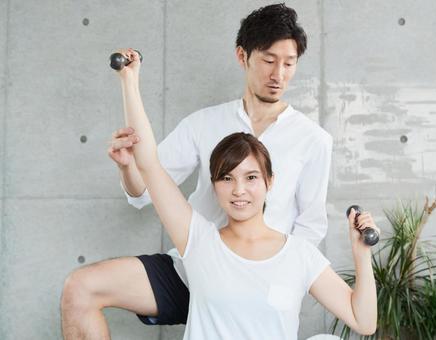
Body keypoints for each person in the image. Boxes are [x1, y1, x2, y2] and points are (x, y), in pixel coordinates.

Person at [61, 4, 332, 338]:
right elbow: (145, 190)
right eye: (268, 60)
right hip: (192, 268)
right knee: (80, 287)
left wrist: (280, 286)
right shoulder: (203, 124)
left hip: (255, 286)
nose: (279, 74)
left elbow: (310, 226)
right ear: (242, 56)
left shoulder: (313, 140)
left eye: (289, 63)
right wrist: (129, 167)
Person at [108, 52, 378, 339]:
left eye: (251, 178)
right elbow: (149, 163)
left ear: (269, 182)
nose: (239, 190)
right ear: (215, 186)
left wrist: (362, 254)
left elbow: (364, 322)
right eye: (227, 178)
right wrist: (129, 80)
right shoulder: (199, 241)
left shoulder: (299, 255)